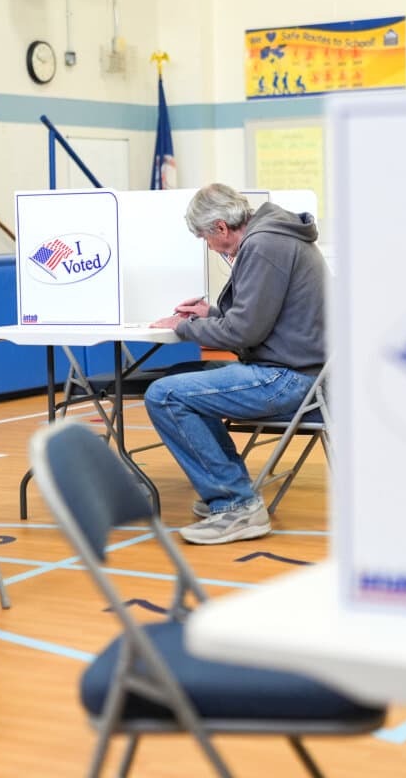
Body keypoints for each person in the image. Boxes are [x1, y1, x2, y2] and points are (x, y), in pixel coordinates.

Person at [146, 183, 326, 545]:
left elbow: (244, 331)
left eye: (204, 238)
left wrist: (185, 327)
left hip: (288, 378)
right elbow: (262, 318)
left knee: (164, 395)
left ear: (220, 229)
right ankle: (232, 488)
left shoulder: (264, 245)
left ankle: (236, 504)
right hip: (304, 370)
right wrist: (209, 314)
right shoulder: (276, 235)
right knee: (183, 377)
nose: (207, 246)